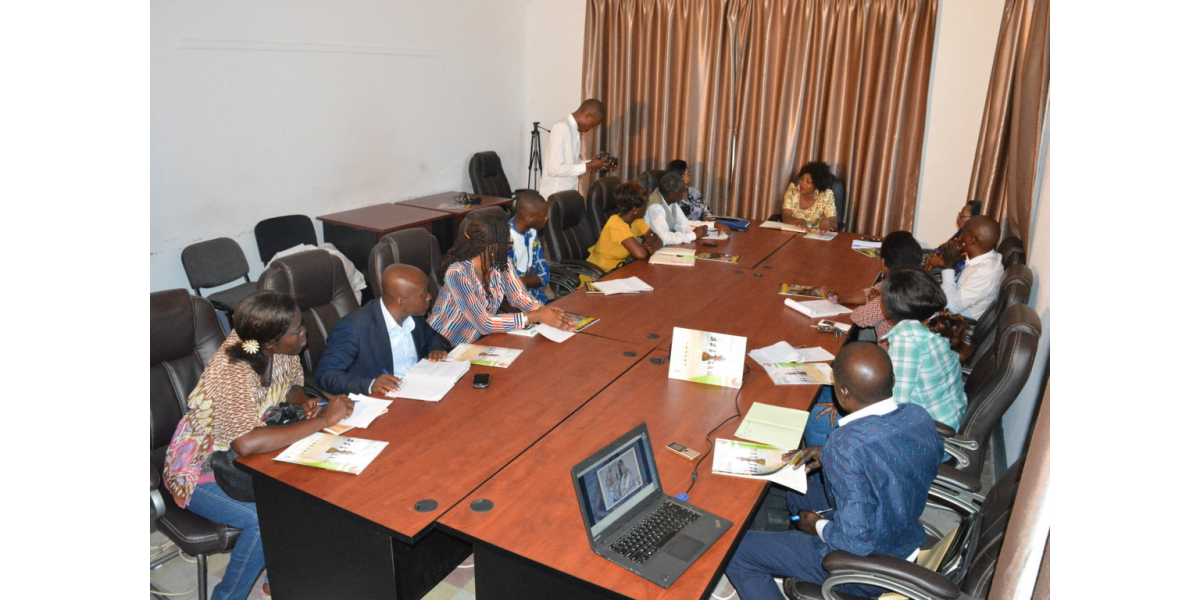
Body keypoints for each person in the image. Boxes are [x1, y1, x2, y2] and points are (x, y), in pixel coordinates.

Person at [162, 291, 356, 600]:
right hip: (200, 467)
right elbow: (246, 443)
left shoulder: (276, 345)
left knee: (319, 485)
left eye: (301, 325)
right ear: (270, 342)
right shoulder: (233, 370)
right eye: (297, 330)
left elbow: (290, 384)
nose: (304, 331)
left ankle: (278, 583)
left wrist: (303, 400)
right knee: (265, 518)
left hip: (249, 454)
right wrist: (322, 421)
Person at [726, 342, 943, 600]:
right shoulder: (917, 415)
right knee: (796, 493)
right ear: (892, 380)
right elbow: (892, 460)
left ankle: (786, 559)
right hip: (902, 532)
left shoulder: (847, 445)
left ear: (841, 392)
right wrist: (828, 454)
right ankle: (785, 556)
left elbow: (855, 542)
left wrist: (817, 525)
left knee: (736, 551)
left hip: (863, 567)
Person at [428, 213, 573, 344]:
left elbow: (519, 296)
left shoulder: (501, 262)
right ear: (490, 247)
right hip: (444, 345)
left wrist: (544, 311)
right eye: (507, 243)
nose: (509, 247)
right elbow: (484, 323)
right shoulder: (458, 273)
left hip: (475, 342)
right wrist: (535, 316)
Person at [314, 264, 450, 396]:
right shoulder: (354, 328)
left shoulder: (413, 316)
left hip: (422, 389)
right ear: (401, 300)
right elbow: (326, 374)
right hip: (384, 399)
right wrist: (370, 384)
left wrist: (435, 349)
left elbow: (431, 336)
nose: (429, 297)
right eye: (423, 293)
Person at [880, 269, 970, 430]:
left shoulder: (907, 338)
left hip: (929, 435)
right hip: (950, 416)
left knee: (824, 416)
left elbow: (896, 405)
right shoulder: (936, 320)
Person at [828, 231, 925, 346]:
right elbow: (874, 290)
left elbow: (858, 317)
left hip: (891, 354)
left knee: (847, 337)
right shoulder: (917, 282)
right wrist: (842, 298)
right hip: (916, 344)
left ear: (883, 263)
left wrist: (874, 302)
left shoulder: (892, 296)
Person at [936, 215, 1003, 320]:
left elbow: (949, 306)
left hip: (955, 325)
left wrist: (949, 266)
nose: (959, 236)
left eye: (963, 232)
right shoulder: (981, 259)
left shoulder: (985, 272)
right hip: (949, 312)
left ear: (971, 240)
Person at [540, 98, 612, 195]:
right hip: (555, 196)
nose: (589, 129)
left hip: (568, 194)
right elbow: (554, 169)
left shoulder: (574, 130)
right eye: (592, 125)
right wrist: (588, 166)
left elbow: (571, 164)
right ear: (587, 116)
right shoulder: (561, 128)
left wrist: (593, 162)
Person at [586, 181, 656, 273]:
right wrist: (646, 247)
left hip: (619, 270)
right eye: (645, 204)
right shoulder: (617, 225)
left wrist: (647, 243)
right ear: (635, 209)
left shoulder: (635, 219)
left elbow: (652, 235)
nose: (646, 207)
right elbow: (641, 254)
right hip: (600, 274)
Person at [646, 172, 728, 245]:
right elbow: (663, 238)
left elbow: (684, 224)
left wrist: (713, 225)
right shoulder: (656, 207)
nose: (684, 194)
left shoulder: (669, 199)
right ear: (671, 194)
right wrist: (694, 235)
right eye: (681, 192)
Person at [508, 191, 554, 303]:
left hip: (538, 300)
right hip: (518, 308)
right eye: (543, 215)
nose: (547, 218)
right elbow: (511, 287)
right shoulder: (507, 239)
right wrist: (530, 280)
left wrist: (526, 280)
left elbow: (544, 274)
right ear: (529, 218)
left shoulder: (532, 232)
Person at [924, 200, 982, 276]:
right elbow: (943, 248)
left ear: (974, 220)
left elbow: (963, 271)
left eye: (962, 216)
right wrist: (932, 256)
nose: (958, 218)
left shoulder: (972, 243)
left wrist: (940, 263)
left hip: (940, 277)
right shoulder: (961, 233)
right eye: (959, 214)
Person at [781, 161, 837, 232]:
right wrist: (796, 221)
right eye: (802, 179)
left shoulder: (826, 196)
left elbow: (834, 223)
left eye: (808, 182)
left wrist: (828, 222)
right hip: (792, 234)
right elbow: (785, 217)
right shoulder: (793, 191)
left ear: (817, 185)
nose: (802, 183)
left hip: (815, 237)